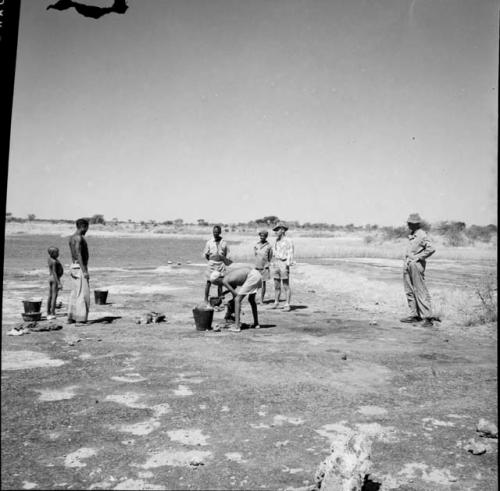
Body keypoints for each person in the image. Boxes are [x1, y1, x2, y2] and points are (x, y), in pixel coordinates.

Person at [400, 213, 436, 327]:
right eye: (409, 223)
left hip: (416, 265)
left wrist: (418, 258)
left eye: (412, 223)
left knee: (420, 290)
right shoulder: (412, 235)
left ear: (417, 224)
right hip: (408, 264)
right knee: (409, 290)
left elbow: (431, 249)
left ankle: (428, 318)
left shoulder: (422, 235)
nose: (409, 225)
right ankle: (414, 315)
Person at [210, 266, 262, 332]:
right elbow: (233, 287)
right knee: (251, 300)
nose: (218, 285)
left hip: (252, 276)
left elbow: (236, 295)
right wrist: (224, 293)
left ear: (219, 279)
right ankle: (256, 324)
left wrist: (239, 307)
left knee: (237, 300)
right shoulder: (228, 277)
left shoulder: (225, 280)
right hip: (257, 274)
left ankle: (237, 326)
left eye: (217, 283)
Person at [67, 218, 90, 323]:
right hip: (80, 267)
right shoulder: (78, 238)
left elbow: (74, 255)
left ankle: (71, 317)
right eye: (87, 228)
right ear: (83, 227)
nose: (87, 230)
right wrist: (84, 270)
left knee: (75, 293)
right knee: (83, 293)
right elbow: (78, 253)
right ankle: (80, 319)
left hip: (74, 266)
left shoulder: (71, 238)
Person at [203, 225, 230, 307]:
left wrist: (221, 261)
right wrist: (212, 261)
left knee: (220, 283)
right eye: (214, 232)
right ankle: (205, 299)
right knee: (208, 282)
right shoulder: (209, 242)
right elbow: (206, 255)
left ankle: (219, 300)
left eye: (217, 232)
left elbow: (226, 254)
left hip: (220, 264)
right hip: (211, 264)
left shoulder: (224, 242)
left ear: (220, 232)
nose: (215, 233)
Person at [270, 222, 294, 311]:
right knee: (276, 285)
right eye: (275, 230)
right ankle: (276, 302)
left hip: (284, 263)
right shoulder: (276, 241)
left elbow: (290, 253)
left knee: (285, 285)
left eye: (277, 229)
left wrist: (287, 264)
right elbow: (274, 252)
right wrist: (273, 262)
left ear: (283, 230)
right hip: (276, 263)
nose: (275, 231)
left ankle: (287, 304)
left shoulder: (289, 240)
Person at [254, 230, 273, 303]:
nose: (262, 237)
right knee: (255, 284)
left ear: (266, 236)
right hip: (257, 267)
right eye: (261, 236)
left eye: (263, 236)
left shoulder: (269, 246)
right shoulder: (256, 245)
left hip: (264, 268)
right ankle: (254, 299)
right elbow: (255, 255)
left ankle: (261, 300)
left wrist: (267, 265)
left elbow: (270, 257)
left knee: (263, 284)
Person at [47, 247, 63, 320]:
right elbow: (54, 272)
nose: (58, 254)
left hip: (50, 278)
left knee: (50, 296)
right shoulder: (54, 261)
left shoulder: (50, 259)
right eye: (57, 252)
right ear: (52, 253)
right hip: (54, 279)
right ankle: (52, 312)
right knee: (54, 296)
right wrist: (59, 283)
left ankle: (48, 312)